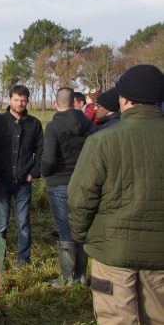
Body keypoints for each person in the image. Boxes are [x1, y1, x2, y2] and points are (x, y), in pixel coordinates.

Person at [68, 64, 164, 324]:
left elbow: (79, 198)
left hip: (112, 254)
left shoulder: (102, 140)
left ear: (126, 99)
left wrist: (81, 236)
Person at [41, 88, 97, 287]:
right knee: (81, 228)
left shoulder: (53, 127)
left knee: (65, 231)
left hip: (59, 183)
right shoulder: (89, 125)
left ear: (56, 104)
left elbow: (49, 158)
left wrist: (45, 173)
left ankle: (67, 279)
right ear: (75, 103)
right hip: (84, 183)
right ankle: (81, 276)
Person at [0, 85, 44, 268]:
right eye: (17, 100)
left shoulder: (34, 124)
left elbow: (42, 151)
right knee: (1, 224)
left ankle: (23, 260)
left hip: (22, 182)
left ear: (27, 101)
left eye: (23, 100)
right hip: (1, 181)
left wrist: (32, 173)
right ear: (9, 100)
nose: (20, 103)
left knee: (24, 224)